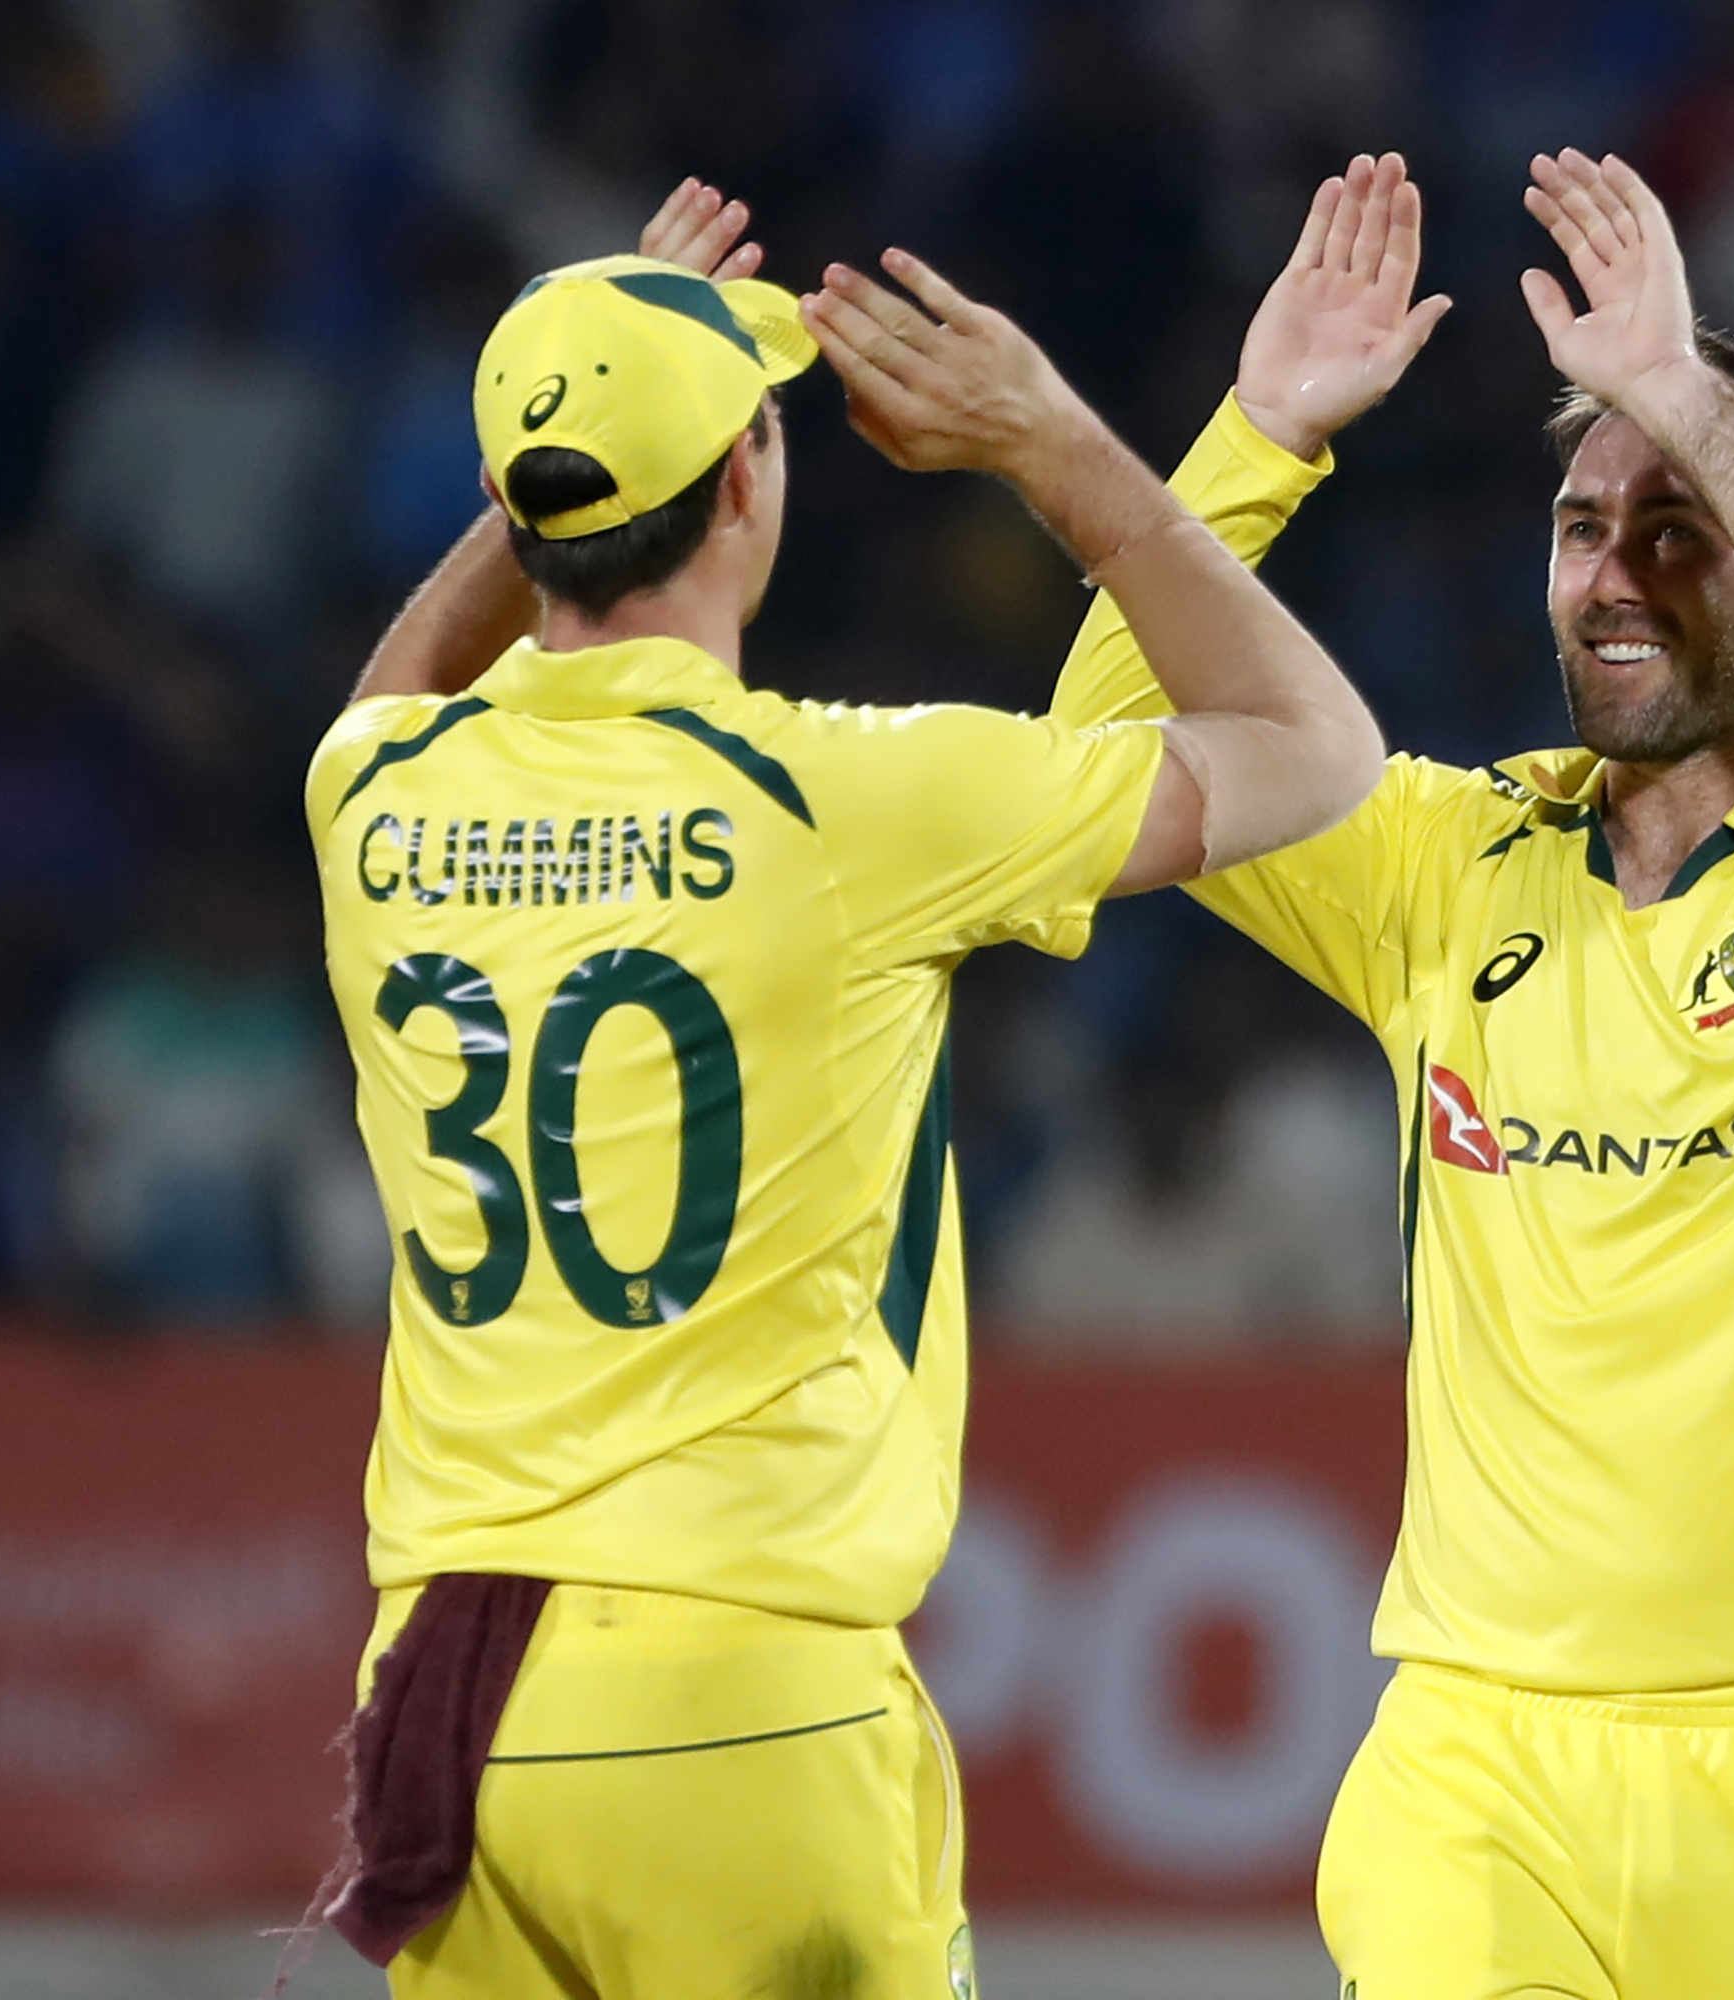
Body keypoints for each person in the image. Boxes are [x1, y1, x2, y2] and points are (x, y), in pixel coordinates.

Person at [302, 179, 1384, 1997]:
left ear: (516, 512)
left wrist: (554, 461)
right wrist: (1058, 451)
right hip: (746, 1699)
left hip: (443, 1700)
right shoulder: (851, 806)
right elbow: (1317, 752)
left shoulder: (373, 800)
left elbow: (393, 687)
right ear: (749, 484)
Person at [1052, 149, 1734, 1996]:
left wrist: (1683, 390)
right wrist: (1259, 436)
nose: (1614, 572)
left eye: (1678, 523)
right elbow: (1095, 765)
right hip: (1476, 1760)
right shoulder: (1445, 867)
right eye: (1585, 524)